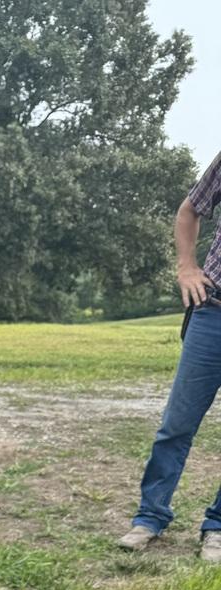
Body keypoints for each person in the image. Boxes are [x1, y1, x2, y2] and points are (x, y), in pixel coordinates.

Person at [119, 153, 221, 562]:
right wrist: (186, 266)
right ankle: (149, 517)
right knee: (176, 425)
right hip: (213, 311)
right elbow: (190, 209)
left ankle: (217, 527)